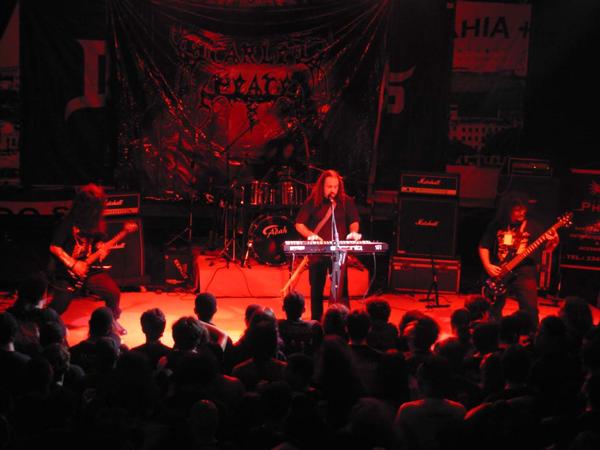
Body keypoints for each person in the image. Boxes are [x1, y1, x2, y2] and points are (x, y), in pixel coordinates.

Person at [47, 183, 127, 335]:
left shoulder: (95, 222)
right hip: (67, 271)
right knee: (60, 305)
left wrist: (100, 247)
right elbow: (54, 247)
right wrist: (73, 264)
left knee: (113, 292)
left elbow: (97, 241)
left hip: (89, 268)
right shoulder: (67, 222)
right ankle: (42, 323)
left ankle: (112, 321)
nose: (97, 211)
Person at [478, 193, 559, 329]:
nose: (522, 213)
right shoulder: (497, 225)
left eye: (523, 209)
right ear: (507, 210)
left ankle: (532, 335)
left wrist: (554, 242)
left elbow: (547, 248)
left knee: (530, 310)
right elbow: (483, 246)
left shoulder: (533, 225)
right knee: (493, 309)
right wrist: (488, 266)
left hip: (525, 272)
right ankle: (495, 333)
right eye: (517, 210)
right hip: (500, 271)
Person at [295, 169, 361, 321]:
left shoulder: (346, 201)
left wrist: (353, 232)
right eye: (329, 186)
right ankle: (316, 321)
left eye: (335, 187)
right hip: (317, 252)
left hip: (338, 252)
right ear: (322, 186)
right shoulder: (312, 201)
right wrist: (311, 235)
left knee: (340, 289)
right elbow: (299, 224)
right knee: (316, 288)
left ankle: (342, 320)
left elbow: (354, 221)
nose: (333, 190)